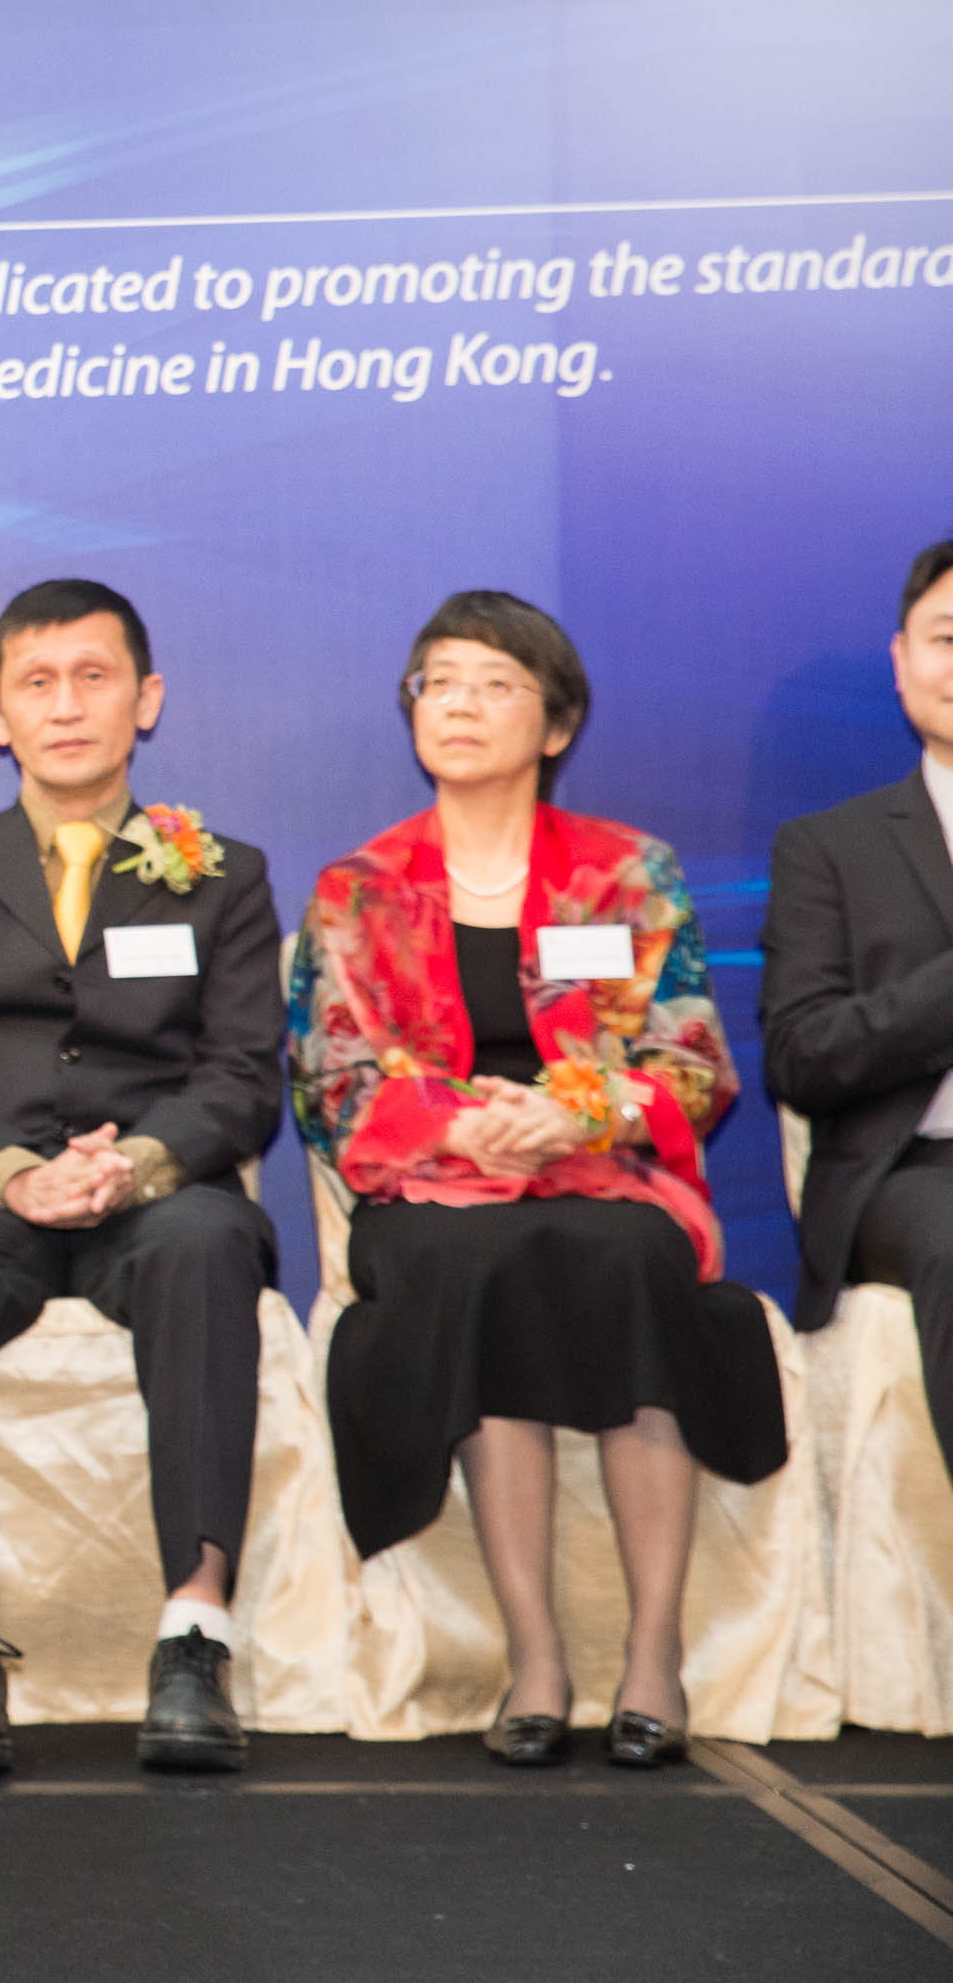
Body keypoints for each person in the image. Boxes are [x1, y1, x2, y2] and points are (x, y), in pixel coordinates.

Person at [290, 590, 785, 1770]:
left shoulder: (625, 873)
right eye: (436, 681)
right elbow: (329, 1087)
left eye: (493, 684)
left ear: (555, 724)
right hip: (430, 1190)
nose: (457, 703)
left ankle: (652, 1653)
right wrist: (469, 1130)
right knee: (475, 1266)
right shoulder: (356, 890)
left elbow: (689, 1062)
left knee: (621, 1266)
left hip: (605, 1178)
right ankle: (536, 1659)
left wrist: (570, 1116)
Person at [0, 579, 284, 1777]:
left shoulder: (222, 874)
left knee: (208, 1243)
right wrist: (5, 1174)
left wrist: (136, 1165)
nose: (65, 706)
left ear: (145, 699)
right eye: (35, 683)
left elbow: (245, 1075)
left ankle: (193, 1636)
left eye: (93, 677)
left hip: (154, 1191)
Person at [765, 534, 953, 1473]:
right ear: (902, 661)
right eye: (948, 637)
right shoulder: (829, 848)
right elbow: (800, 1056)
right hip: (916, 1171)